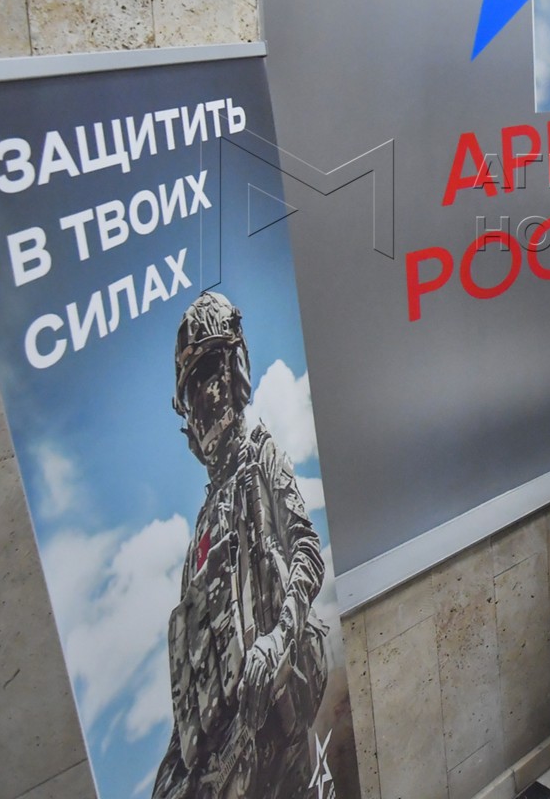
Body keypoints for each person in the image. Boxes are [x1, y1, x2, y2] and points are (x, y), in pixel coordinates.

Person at [155, 293, 330, 799]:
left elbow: (307, 551)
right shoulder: (199, 538)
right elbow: (192, 689)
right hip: (230, 767)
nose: (204, 399)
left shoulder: (261, 458)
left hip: (281, 714)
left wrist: (278, 640)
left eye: (211, 373)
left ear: (237, 373)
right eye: (192, 389)